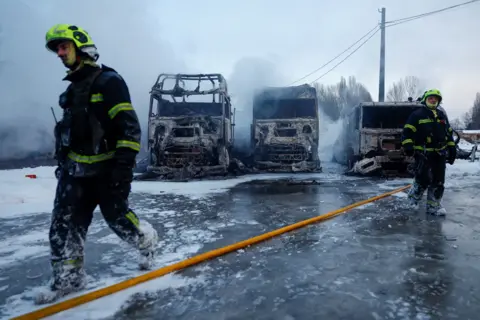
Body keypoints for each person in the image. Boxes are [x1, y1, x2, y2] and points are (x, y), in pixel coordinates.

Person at [40, 24, 158, 301]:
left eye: (63, 46)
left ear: (81, 48)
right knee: (64, 225)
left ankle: (146, 241)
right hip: (74, 172)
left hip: (106, 171)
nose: (59, 52)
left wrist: (123, 168)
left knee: (117, 220)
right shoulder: (72, 89)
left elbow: (129, 128)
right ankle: (68, 280)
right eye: (56, 48)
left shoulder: (109, 81)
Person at [401, 89, 456, 215]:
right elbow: (407, 132)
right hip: (423, 153)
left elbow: (448, 134)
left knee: (438, 181)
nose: (433, 100)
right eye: (431, 98)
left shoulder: (441, 115)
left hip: (440, 154)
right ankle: (412, 200)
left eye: (435, 99)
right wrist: (408, 146)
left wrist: (452, 148)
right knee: (423, 179)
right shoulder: (417, 115)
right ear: (425, 100)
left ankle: (433, 206)